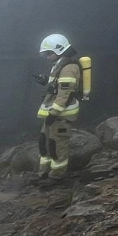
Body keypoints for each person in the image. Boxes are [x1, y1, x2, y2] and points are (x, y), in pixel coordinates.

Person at [35, 33, 83, 182]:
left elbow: (65, 94)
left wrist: (54, 112)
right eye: (46, 55)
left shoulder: (69, 68)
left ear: (59, 50)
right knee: (44, 142)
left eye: (49, 54)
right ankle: (44, 173)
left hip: (61, 115)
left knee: (57, 145)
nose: (47, 57)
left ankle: (57, 176)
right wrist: (45, 82)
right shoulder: (59, 65)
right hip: (53, 113)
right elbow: (57, 88)